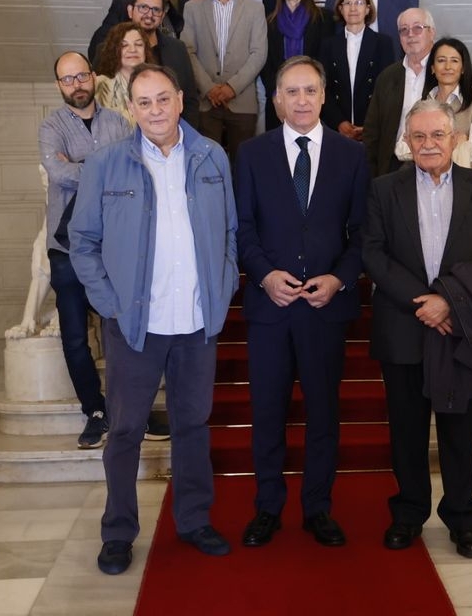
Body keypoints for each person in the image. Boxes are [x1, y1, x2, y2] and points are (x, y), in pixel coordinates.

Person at [70, 62, 238, 574]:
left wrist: (223, 286)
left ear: (181, 100)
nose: (155, 111)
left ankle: (193, 521)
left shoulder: (213, 157)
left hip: (194, 325)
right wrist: (110, 304)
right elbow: (82, 242)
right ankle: (118, 532)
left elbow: (230, 232)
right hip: (134, 326)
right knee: (124, 431)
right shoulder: (106, 165)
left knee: (192, 425)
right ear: (131, 109)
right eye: (144, 102)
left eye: (163, 99)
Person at [362, 99, 472, 559]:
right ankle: (408, 515)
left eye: (437, 135)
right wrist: (420, 301)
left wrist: (449, 302)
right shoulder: (384, 189)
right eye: (419, 137)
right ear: (407, 142)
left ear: (456, 139)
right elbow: (373, 253)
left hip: (461, 329)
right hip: (403, 328)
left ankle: (463, 519)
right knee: (406, 431)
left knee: (459, 432)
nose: (428, 144)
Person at [234, 56, 369, 550]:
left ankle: (318, 507)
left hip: (324, 309)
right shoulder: (251, 154)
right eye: (291, 92)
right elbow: (242, 228)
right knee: (267, 411)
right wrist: (265, 275)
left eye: (310, 90)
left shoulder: (351, 156)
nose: (301, 100)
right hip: (270, 308)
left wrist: (339, 278)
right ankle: (267, 507)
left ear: (324, 94)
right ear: (276, 100)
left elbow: (361, 234)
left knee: (323, 414)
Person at [38, 51, 131, 449]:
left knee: (121, 332)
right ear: (59, 85)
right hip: (66, 247)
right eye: (66, 79)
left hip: (113, 246)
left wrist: (80, 166)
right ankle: (95, 410)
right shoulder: (51, 127)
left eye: (81, 76)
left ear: (93, 77)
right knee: (75, 336)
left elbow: (130, 169)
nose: (76, 84)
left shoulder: (118, 123)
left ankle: (129, 411)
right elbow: (57, 171)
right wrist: (101, 169)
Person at [181, 0, 268, 163]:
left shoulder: (255, 8)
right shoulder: (192, 8)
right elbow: (187, 51)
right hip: (205, 101)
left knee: (244, 166)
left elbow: (259, 53)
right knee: (207, 166)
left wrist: (231, 87)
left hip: (243, 101)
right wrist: (209, 88)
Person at [361, 8, 437, 177]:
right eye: (404, 30)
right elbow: (371, 133)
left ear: (432, 33)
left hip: (433, 167)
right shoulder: (387, 77)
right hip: (392, 168)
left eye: (417, 28)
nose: (410, 35)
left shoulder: (442, 74)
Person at [395, 37, 472, 169]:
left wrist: (422, 147)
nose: (447, 67)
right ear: (433, 68)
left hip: (461, 180)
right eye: (441, 60)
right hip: (421, 179)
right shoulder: (420, 106)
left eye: (454, 61)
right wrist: (454, 143)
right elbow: (400, 149)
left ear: (463, 68)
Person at [320, 0, 395, 140]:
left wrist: (370, 124)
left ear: (368, 9)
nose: (353, 8)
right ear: (341, 9)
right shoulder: (328, 45)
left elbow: (387, 88)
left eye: (359, 3)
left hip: (372, 127)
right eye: (348, 3)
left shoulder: (383, 43)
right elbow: (323, 88)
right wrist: (339, 122)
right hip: (337, 128)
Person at [125, 0, 200, 128]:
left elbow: (190, 99)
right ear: (130, 11)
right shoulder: (110, 50)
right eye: (143, 7)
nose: (149, 14)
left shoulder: (178, 49)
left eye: (156, 10)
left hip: (174, 134)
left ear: (162, 16)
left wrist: (187, 137)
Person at [263, 0, 324, 130]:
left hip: (312, 97)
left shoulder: (322, 19)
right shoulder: (270, 22)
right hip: (280, 98)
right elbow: (266, 63)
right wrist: (276, 96)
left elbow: (324, 59)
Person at [94, 22, 152, 119]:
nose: (132, 49)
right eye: (124, 45)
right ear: (114, 50)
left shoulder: (159, 82)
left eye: (138, 44)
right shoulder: (99, 85)